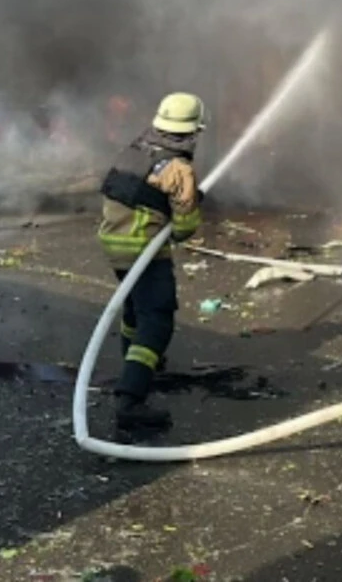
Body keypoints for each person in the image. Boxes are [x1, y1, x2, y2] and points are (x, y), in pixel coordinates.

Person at [97, 92, 206, 432]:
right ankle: (131, 400)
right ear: (192, 131)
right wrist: (190, 205)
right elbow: (184, 231)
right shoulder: (178, 167)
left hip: (114, 242)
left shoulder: (136, 148)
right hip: (143, 248)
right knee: (157, 320)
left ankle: (139, 368)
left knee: (135, 311)